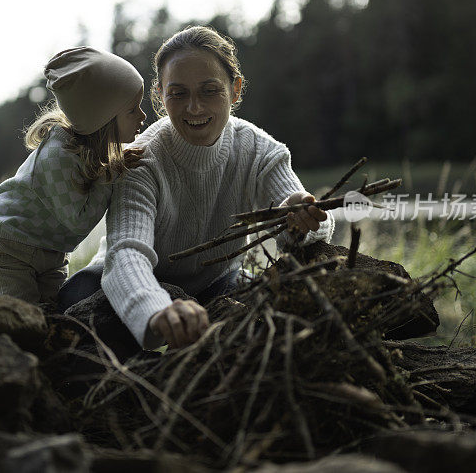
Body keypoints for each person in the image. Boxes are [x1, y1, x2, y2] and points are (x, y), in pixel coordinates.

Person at [58, 26, 335, 349]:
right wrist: (157, 310)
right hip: (130, 281)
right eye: (178, 93)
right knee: (77, 306)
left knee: (266, 313)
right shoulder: (141, 160)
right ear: (160, 96)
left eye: (209, 90)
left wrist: (302, 216)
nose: (194, 108)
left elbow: (311, 220)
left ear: (235, 90)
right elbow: (126, 253)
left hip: (219, 284)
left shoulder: (260, 151)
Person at [0, 46, 147, 307]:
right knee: (17, 319)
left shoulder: (85, 150)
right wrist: (111, 174)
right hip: (10, 246)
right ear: (101, 116)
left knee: (55, 317)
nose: (143, 117)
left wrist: (111, 170)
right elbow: (78, 222)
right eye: (132, 110)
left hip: (49, 250)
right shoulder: (59, 157)